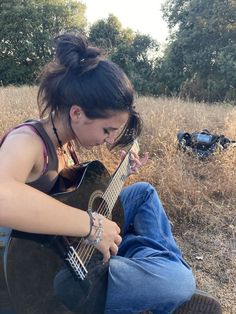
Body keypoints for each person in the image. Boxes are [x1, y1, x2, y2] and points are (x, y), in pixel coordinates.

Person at [0, 33, 221, 314]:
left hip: (71, 240)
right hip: (58, 272)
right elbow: (2, 197)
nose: (108, 139)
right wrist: (92, 226)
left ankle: (141, 269)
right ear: (77, 113)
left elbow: (68, 200)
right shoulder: (28, 141)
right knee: (178, 282)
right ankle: (152, 280)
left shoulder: (64, 141)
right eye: (107, 130)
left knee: (143, 193)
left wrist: (123, 172)